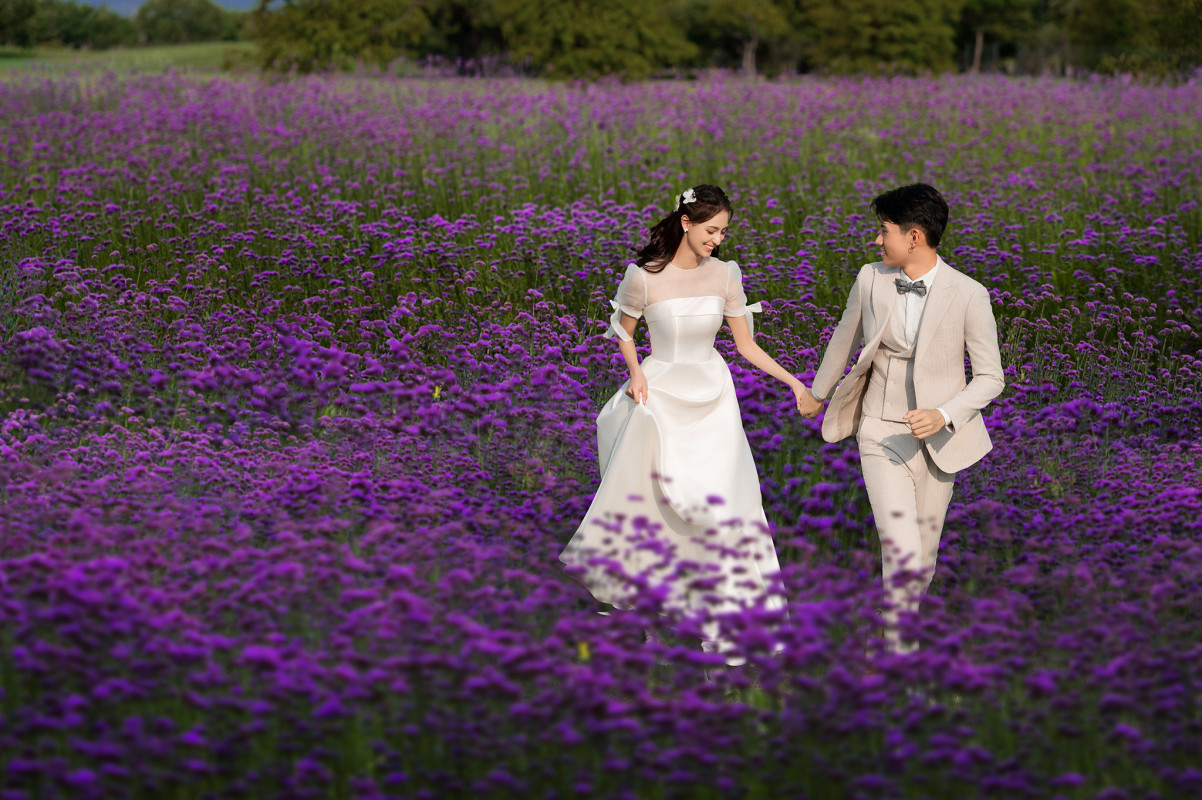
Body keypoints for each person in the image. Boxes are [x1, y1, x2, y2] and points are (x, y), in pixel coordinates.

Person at [561, 184, 821, 665]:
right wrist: (635, 372)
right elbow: (624, 331)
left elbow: (746, 345)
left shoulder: (726, 274)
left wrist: (794, 383)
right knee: (659, 501)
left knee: (727, 502)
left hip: (714, 399)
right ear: (686, 222)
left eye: (723, 232)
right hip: (661, 395)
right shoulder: (643, 277)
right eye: (711, 230)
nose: (717, 240)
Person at [807, 183, 1005, 653]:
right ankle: (901, 663)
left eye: (884, 230)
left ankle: (892, 630)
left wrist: (944, 414)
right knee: (903, 552)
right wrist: (817, 394)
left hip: (940, 441)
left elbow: (991, 378)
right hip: (879, 429)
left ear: (914, 236)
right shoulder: (870, 278)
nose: (877, 240)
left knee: (923, 561)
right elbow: (843, 339)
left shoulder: (969, 294)